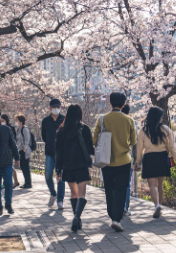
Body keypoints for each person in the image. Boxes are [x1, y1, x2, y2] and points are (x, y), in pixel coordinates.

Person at [93, 92, 137, 232]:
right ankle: (116, 219)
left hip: (107, 161)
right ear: (123, 104)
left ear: (110, 103)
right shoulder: (129, 120)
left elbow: (94, 140)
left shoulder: (102, 119)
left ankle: (112, 215)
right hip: (124, 161)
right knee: (121, 190)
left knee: (109, 189)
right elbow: (133, 141)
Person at [135, 106, 176, 219]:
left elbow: (139, 148)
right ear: (158, 117)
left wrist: (137, 162)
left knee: (153, 185)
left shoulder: (143, 130)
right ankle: (159, 206)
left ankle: (156, 205)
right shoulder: (166, 129)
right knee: (159, 185)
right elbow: (172, 146)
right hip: (162, 157)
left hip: (149, 158)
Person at [55, 105, 95, 232]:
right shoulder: (84, 129)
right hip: (81, 165)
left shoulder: (61, 131)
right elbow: (89, 148)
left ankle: (76, 217)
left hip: (67, 166)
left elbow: (58, 152)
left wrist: (58, 169)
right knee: (81, 193)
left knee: (73, 193)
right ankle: (77, 217)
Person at [41, 98, 66, 209]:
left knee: (61, 177)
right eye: (54, 107)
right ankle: (53, 193)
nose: (56, 109)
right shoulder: (45, 121)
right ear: (50, 108)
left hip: (62, 153)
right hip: (49, 152)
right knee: (47, 175)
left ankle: (60, 200)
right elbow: (44, 136)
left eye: (58, 107)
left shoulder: (64, 119)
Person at [121, 103, 137, 217]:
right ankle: (125, 208)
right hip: (128, 157)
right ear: (128, 112)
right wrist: (136, 160)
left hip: (113, 159)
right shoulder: (131, 121)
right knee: (126, 185)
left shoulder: (110, 120)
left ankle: (116, 207)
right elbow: (134, 142)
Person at [1, 114, 20, 188]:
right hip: (3, 150)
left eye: (3, 121)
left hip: (9, 150)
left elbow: (13, 140)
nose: (2, 122)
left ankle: (14, 181)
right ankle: (15, 181)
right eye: (1, 121)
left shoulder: (10, 128)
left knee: (9, 166)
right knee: (9, 166)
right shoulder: (0, 127)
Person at [15, 114, 33, 188]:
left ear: (21, 121)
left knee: (25, 167)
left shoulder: (24, 129)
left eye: (16, 120)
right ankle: (26, 182)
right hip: (20, 150)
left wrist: (25, 147)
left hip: (25, 150)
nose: (15, 122)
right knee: (23, 167)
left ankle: (28, 183)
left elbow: (27, 139)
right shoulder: (19, 129)